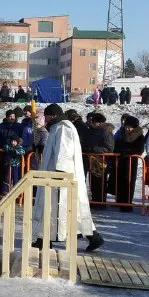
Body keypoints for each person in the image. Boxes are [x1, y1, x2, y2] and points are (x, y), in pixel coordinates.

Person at [32, 104, 104, 252]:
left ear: (51, 115)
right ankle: (43, 240)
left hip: (60, 177)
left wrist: (60, 172)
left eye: (46, 115)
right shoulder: (57, 127)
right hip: (55, 176)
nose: (44, 119)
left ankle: (93, 237)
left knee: (62, 209)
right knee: (57, 209)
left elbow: (63, 152)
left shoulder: (63, 128)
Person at [114, 115, 145, 211]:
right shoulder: (121, 134)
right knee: (120, 181)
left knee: (129, 182)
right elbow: (116, 146)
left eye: (130, 127)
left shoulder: (139, 136)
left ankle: (127, 203)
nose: (128, 129)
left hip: (131, 162)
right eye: (126, 126)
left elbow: (139, 150)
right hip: (121, 161)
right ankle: (119, 201)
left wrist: (127, 152)